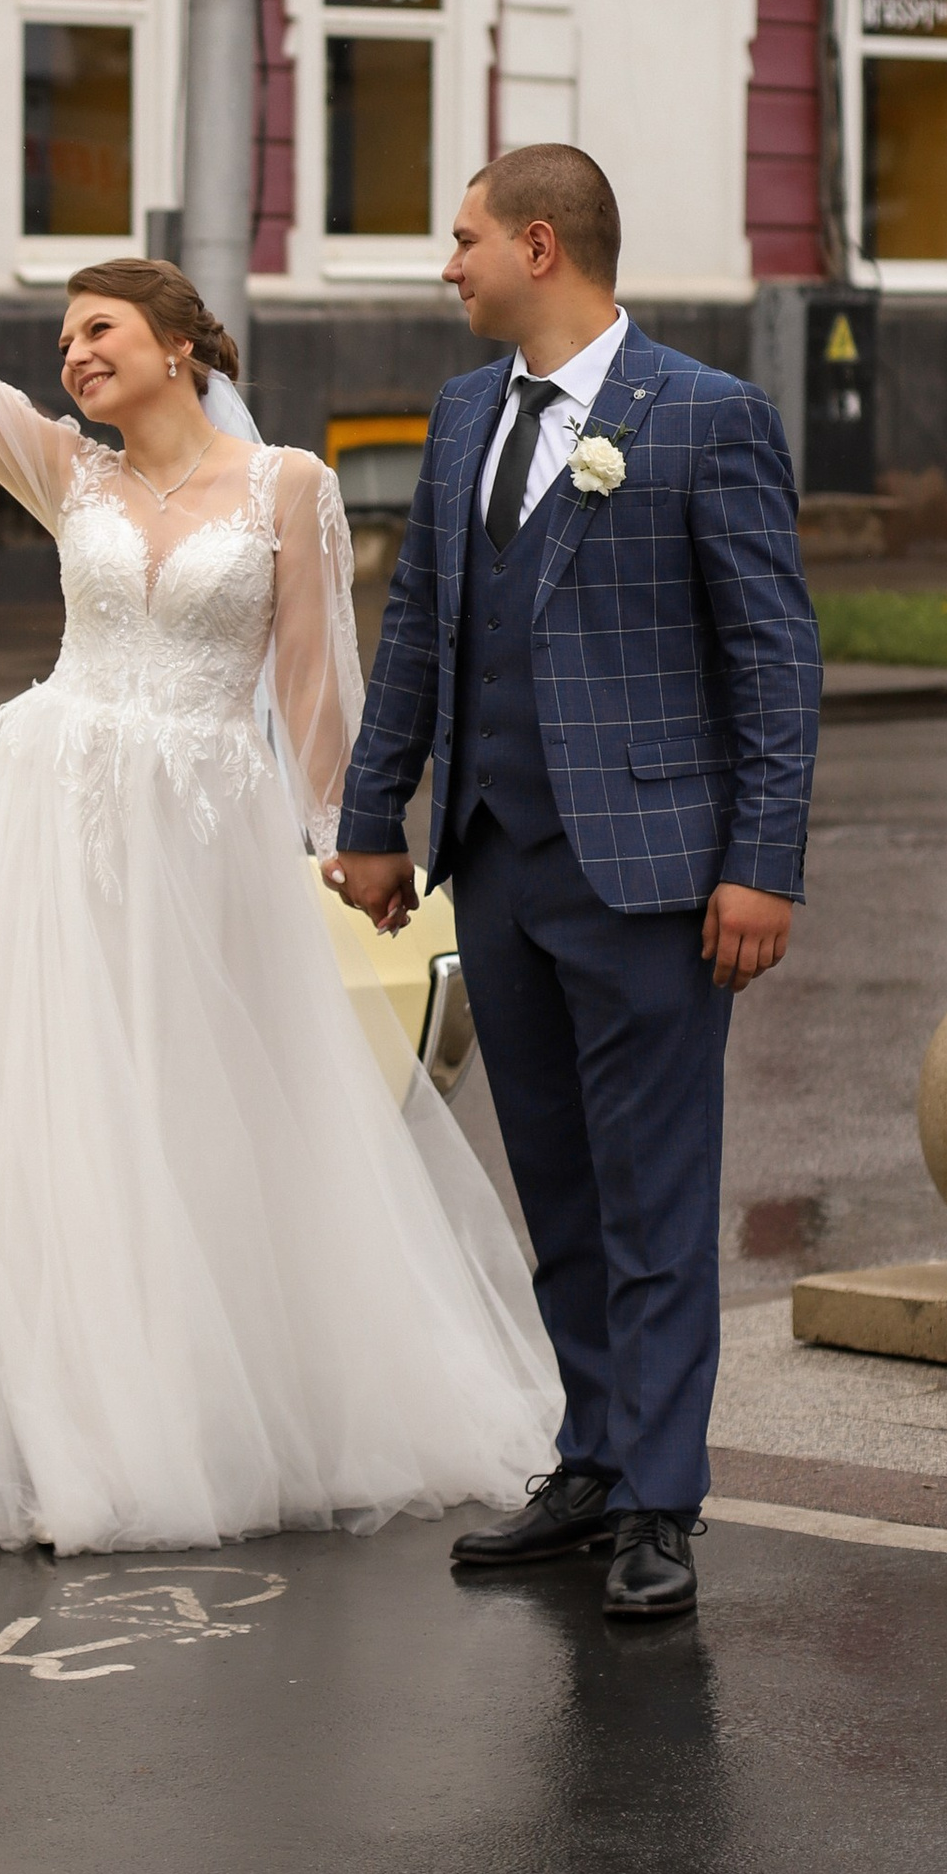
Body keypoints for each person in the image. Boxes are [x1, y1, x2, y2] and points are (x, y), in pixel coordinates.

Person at [0, 140, 560, 1557]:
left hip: (203, 832)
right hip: (58, 816)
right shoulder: (66, 474)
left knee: (207, 1119)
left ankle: (232, 1408)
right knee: (71, 1123)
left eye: (100, 329)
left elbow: (318, 681)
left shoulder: (287, 488)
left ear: (182, 347)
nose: (73, 356)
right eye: (64, 338)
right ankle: (85, 1424)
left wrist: (350, 836)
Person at [327, 146, 819, 1625]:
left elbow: (773, 665)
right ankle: (595, 1456)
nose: (448, 263)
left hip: (659, 878)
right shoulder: (472, 408)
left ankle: (662, 1497)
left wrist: (760, 865)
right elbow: (419, 622)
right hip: (502, 864)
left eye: (465, 236)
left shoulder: (708, 419)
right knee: (560, 1184)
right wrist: (375, 813)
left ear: (542, 246)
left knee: (657, 1195)